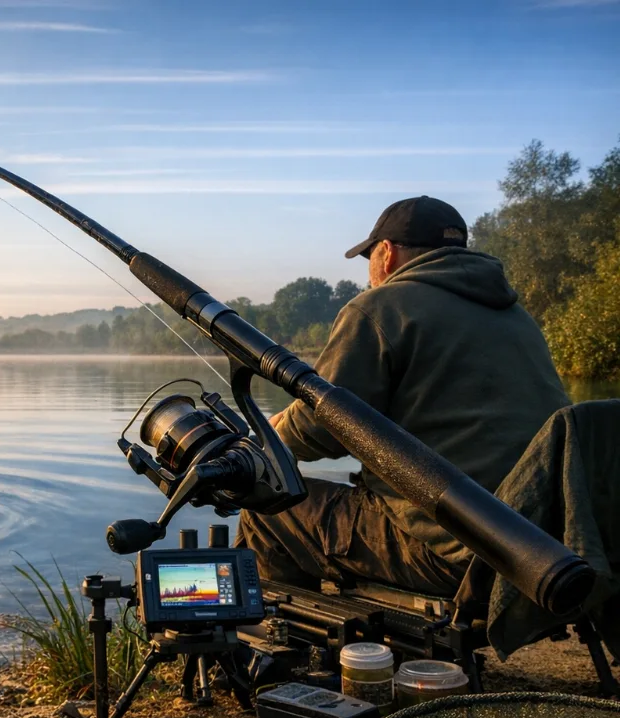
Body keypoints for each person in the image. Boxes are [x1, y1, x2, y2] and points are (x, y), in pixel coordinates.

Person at [235, 196, 569, 596]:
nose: (370, 274)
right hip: (548, 551)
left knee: (268, 510)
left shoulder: (379, 307)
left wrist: (266, 440)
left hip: (459, 554)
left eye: (369, 258)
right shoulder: (517, 317)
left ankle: (283, 645)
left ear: (387, 253)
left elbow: (321, 423)